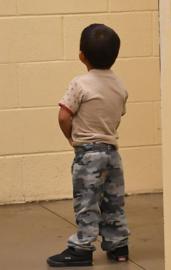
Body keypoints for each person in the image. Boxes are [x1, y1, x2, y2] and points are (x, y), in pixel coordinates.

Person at [47, 23, 130, 267]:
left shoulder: (79, 83)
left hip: (88, 154)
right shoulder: (120, 85)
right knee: (113, 202)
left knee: (87, 202)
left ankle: (81, 248)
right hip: (112, 154)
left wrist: (71, 138)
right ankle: (119, 246)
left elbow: (64, 115)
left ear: (82, 55)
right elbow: (119, 115)